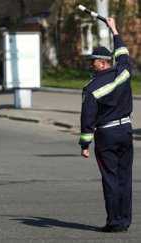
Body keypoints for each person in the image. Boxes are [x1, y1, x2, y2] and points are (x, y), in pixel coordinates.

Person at [79, 18, 133, 233]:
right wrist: (114, 29)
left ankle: (114, 222)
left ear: (103, 63)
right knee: (125, 178)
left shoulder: (91, 87)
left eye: (93, 61)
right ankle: (125, 220)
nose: (90, 65)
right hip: (126, 130)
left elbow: (87, 117)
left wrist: (84, 144)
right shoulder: (124, 72)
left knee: (110, 178)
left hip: (107, 135)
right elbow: (123, 53)